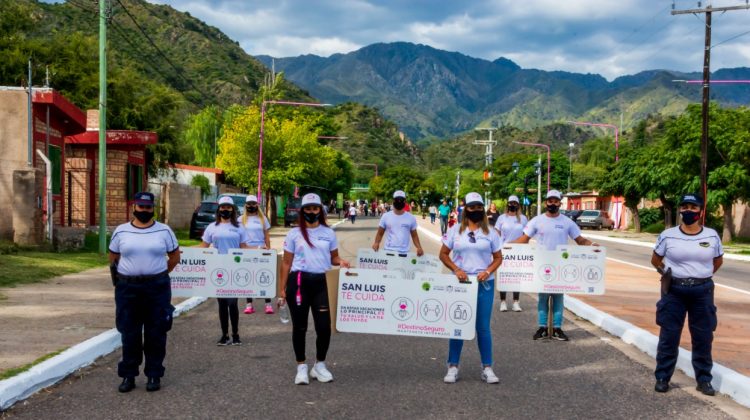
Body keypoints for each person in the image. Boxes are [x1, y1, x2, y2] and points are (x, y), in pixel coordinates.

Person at [651, 194, 723, 396]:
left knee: (703, 337)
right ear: (680, 210)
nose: (688, 211)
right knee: (669, 335)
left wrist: (700, 276)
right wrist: (668, 274)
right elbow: (656, 260)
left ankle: (704, 380)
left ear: (701, 211)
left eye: (693, 207)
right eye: (685, 207)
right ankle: (663, 377)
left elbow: (717, 261)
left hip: (702, 292)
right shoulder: (668, 235)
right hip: (674, 291)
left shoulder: (711, 235)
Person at [109, 191, 180, 393]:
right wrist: (121, 280)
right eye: (141, 207)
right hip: (127, 288)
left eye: (148, 207)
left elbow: (174, 257)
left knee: (156, 332)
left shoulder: (164, 231)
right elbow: (113, 257)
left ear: (153, 208)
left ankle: (153, 374)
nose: (144, 210)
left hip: (156, 288)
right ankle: (128, 376)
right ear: (134, 207)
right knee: (129, 333)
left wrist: (159, 273)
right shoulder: (121, 231)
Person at [279, 193, 350, 384]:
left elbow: (333, 257)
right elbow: (286, 262)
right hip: (299, 282)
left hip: (322, 283)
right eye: (308, 209)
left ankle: (319, 365)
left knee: (324, 327)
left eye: (315, 208)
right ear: (303, 211)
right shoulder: (294, 233)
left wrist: (341, 261)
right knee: (300, 327)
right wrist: (282, 289)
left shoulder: (328, 233)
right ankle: (301, 367)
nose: (312, 212)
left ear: (321, 210)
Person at [511, 190, 597, 341]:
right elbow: (524, 239)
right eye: (550, 201)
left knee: (558, 298)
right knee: (543, 297)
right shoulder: (537, 221)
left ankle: (557, 328)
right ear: (546, 203)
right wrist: (506, 247)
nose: (552, 203)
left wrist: (593, 245)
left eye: (555, 201)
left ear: (559, 203)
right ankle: (542, 327)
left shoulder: (567, 222)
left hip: (560, 265)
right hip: (542, 264)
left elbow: (580, 240)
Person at [439, 192, 503, 384]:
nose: (475, 210)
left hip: (484, 283)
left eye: (479, 207)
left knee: (483, 327)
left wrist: (488, 270)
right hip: (460, 284)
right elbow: (443, 254)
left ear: (483, 208)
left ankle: (487, 368)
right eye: (471, 206)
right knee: (457, 324)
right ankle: (453, 366)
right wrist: (456, 269)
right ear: (465, 208)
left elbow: (498, 257)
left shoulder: (491, 232)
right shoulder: (454, 230)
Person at [199, 196, 251, 346]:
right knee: (222, 303)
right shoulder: (212, 227)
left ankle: (235, 334)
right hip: (217, 269)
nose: (225, 210)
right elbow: (203, 246)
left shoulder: (239, 227)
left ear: (233, 209)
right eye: (223, 207)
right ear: (219, 209)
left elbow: (245, 248)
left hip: (234, 268)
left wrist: (262, 250)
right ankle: (224, 335)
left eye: (228, 207)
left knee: (233, 303)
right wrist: (183, 252)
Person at [241, 195, 274, 315]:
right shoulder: (241, 219)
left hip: (261, 250)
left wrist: (268, 249)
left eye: (253, 204)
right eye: (249, 204)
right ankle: (249, 305)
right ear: (246, 205)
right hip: (247, 251)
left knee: (264, 277)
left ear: (257, 205)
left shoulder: (262, 218)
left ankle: (268, 304)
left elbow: (267, 236)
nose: (251, 206)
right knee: (248, 278)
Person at [494, 196, 528, 312]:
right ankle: (503, 302)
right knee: (504, 276)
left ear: (518, 205)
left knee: (516, 277)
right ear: (507, 204)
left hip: (518, 252)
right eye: (510, 203)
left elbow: (526, 235)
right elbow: (496, 233)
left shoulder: (523, 219)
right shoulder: (501, 218)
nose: (512, 205)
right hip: (504, 250)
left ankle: (516, 302)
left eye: (515, 203)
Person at [372, 190, 424, 256]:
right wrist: (376, 243)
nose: (399, 202)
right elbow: (380, 233)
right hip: (389, 252)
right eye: (397, 200)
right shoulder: (386, 216)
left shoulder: (411, 218)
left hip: (405, 253)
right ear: (393, 201)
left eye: (401, 200)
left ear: (405, 201)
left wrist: (419, 247)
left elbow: (414, 235)